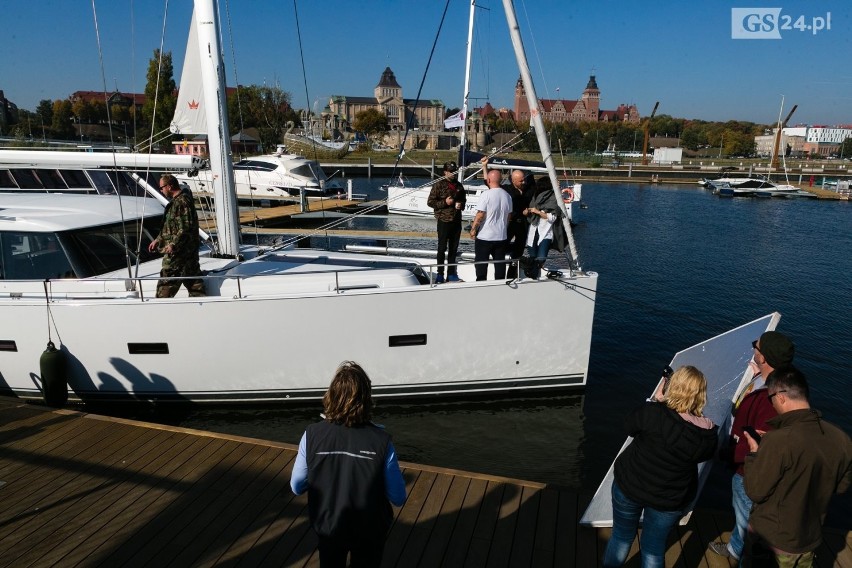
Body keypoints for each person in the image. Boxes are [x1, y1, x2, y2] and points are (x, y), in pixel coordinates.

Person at [290, 361, 407, 568]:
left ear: (331, 395)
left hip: (329, 526)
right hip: (369, 531)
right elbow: (398, 497)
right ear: (366, 398)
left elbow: (297, 485)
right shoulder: (382, 441)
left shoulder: (311, 435)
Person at [603, 366, 719, 567]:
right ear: (700, 395)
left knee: (621, 537)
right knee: (653, 550)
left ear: (672, 386)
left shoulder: (652, 413)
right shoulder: (707, 434)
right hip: (670, 500)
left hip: (630, 486)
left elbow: (629, 426)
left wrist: (657, 402)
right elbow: (697, 444)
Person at [742, 365, 851, 568]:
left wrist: (756, 454)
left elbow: (755, 491)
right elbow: (841, 487)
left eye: (770, 398)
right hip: (809, 539)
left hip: (772, 540)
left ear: (781, 397)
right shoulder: (842, 439)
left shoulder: (778, 441)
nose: (772, 403)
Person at [709, 331, 794, 564]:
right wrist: (755, 378)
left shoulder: (770, 400)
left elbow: (756, 445)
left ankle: (742, 554)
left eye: (755, 347)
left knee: (748, 522)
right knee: (745, 519)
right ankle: (736, 547)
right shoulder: (778, 382)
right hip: (748, 469)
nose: (753, 349)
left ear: (764, 357)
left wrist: (726, 453)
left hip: (749, 474)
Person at [147, 174, 205, 298]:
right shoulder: (176, 202)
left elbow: (185, 227)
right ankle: (200, 306)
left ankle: (162, 308)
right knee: (193, 280)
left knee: (167, 282)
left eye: (162, 188)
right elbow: (171, 226)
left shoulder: (182, 202)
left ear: (169, 186)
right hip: (186, 252)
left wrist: (174, 244)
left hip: (179, 252)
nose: (161, 191)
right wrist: (158, 240)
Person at [471, 161, 512, 281]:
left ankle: (481, 284)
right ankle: (499, 285)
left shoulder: (486, 194)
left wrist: (473, 229)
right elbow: (509, 216)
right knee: (500, 265)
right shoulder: (507, 196)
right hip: (501, 236)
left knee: (481, 265)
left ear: (489, 180)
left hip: (485, 237)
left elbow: (480, 215)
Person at [426, 161, 466, 283]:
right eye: (450, 171)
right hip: (443, 221)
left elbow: (464, 201)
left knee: (453, 249)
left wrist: (461, 205)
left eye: (454, 171)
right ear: (445, 172)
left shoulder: (459, 186)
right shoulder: (438, 185)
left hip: (456, 221)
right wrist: (445, 203)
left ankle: (451, 273)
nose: (453, 174)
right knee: (442, 248)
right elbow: (430, 202)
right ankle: (440, 273)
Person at [522, 176, 564, 280]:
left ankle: (533, 275)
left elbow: (552, 217)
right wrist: (527, 212)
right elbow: (531, 213)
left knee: (541, 258)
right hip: (533, 230)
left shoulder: (554, 198)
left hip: (545, 233)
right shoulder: (535, 197)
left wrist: (538, 212)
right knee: (532, 257)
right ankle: (534, 276)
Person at [502, 169, 532, 279]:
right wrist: (485, 168)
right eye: (521, 181)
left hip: (522, 225)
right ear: (513, 181)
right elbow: (490, 184)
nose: (523, 183)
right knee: (502, 246)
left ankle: (511, 274)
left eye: (524, 180)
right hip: (510, 223)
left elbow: (541, 187)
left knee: (519, 251)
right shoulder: (507, 190)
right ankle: (500, 273)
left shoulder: (528, 189)